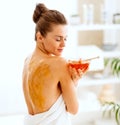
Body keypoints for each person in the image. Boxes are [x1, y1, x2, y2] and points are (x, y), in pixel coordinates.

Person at [22, 3, 89, 125]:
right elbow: (73, 109)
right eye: (58, 39)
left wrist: (73, 80)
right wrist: (74, 82)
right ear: (40, 37)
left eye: (66, 38)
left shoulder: (27, 60)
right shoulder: (59, 64)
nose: (63, 44)